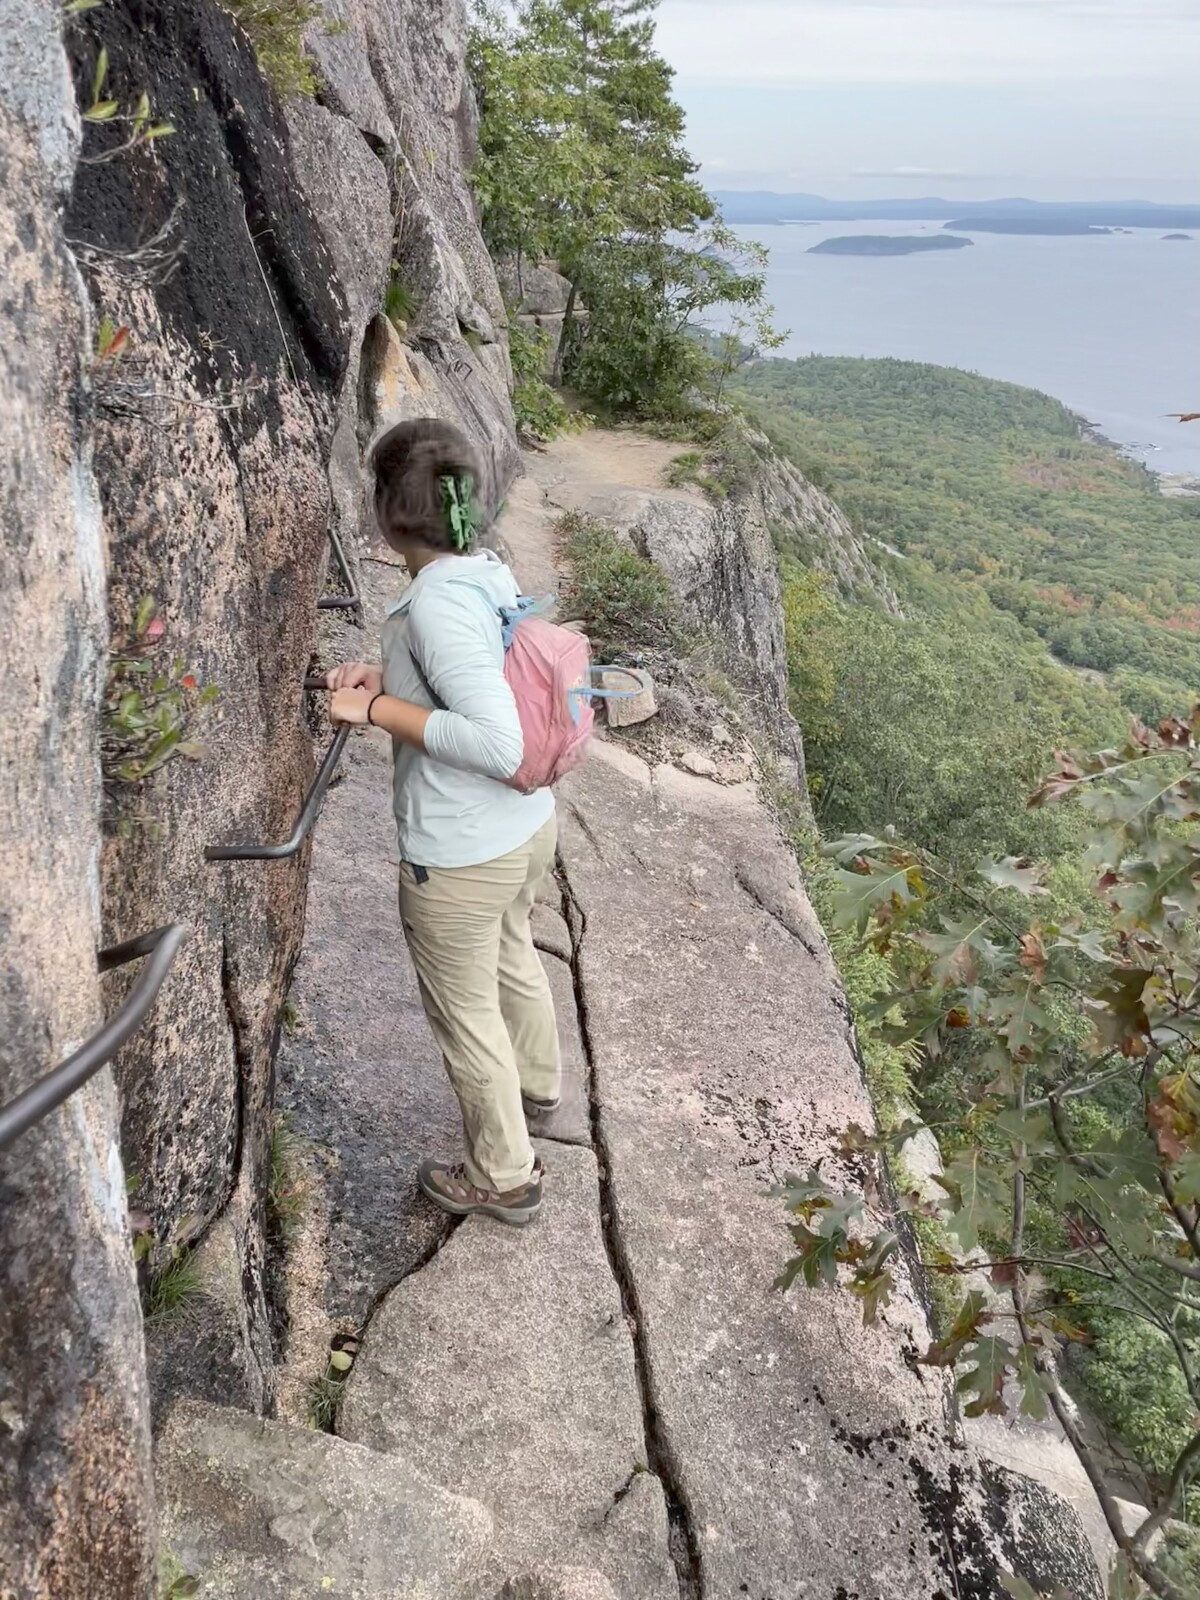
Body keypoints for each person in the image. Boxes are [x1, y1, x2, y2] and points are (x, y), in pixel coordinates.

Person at [326, 418, 559, 1226]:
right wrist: (388, 679)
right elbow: (476, 674)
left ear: (387, 513)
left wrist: (377, 710)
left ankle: (504, 1177)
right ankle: (538, 1087)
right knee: (512, 953)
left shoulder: (434, 604)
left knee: (466, 1016)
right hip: (524, 828)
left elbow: (498, 741)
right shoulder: (484, 571)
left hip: (462, 853)